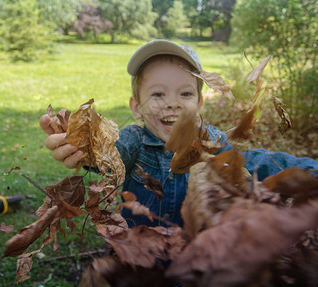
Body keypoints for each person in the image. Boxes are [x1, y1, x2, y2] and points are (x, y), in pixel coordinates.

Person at [39, 39, 318, 228]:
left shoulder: (211, 143)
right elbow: (110, 151)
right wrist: (84, 145)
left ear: (198, 104)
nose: (172, 102)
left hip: (198, 263)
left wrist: (310, 171)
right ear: (136, 107)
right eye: (158, 93)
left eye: (184, 93)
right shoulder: (135, 141)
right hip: (141, 262)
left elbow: (260, 163)